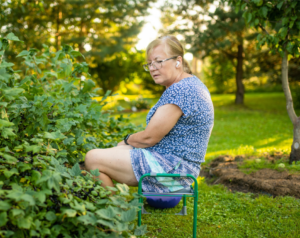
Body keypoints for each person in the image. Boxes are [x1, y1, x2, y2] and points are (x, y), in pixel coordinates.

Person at [84, 35, 214, 193]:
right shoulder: (188, 84)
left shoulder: (182, 90)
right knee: (115, 150)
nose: (152, 68)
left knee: (92, 158)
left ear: (178, 61)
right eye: (149, 64)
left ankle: (115, 212)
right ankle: (114, 205)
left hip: (173, 174)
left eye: (159, 61)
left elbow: (149, 138)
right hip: (175, 165)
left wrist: (127, 139)